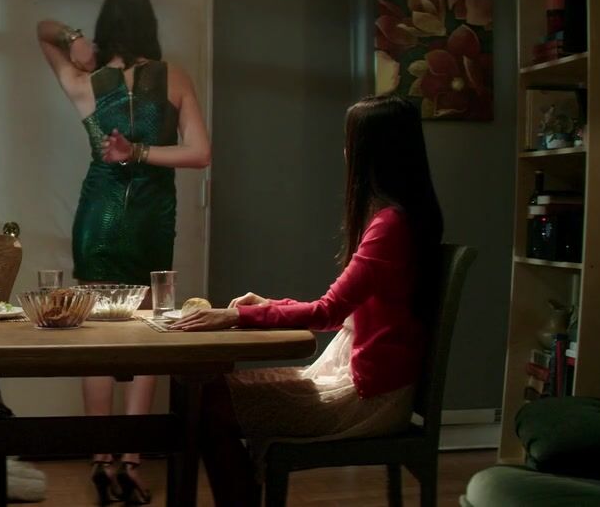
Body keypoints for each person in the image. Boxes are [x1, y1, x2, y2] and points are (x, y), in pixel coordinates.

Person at [171, 95, 445, 506]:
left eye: (350, 141)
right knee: (207, 395)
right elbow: (336, 309)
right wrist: (264, 304)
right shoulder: (398, 218)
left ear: (371, 151)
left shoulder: (390, 225)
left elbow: (327, 312)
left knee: (209, 403)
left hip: (368, 397)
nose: (345, 152)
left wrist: (235, 316)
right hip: (366, 381)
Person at [37, 0, 211, 505]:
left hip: (99, 216)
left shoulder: (83, 81)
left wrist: (72, 38)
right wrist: (140, 151)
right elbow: (200, 153)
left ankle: (100, 459)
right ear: (149, 27)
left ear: (104, 29)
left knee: (95, 335)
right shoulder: (174, 76)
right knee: (148, 333)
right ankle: (131, 463)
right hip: (151, 219)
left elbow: (42, 31)